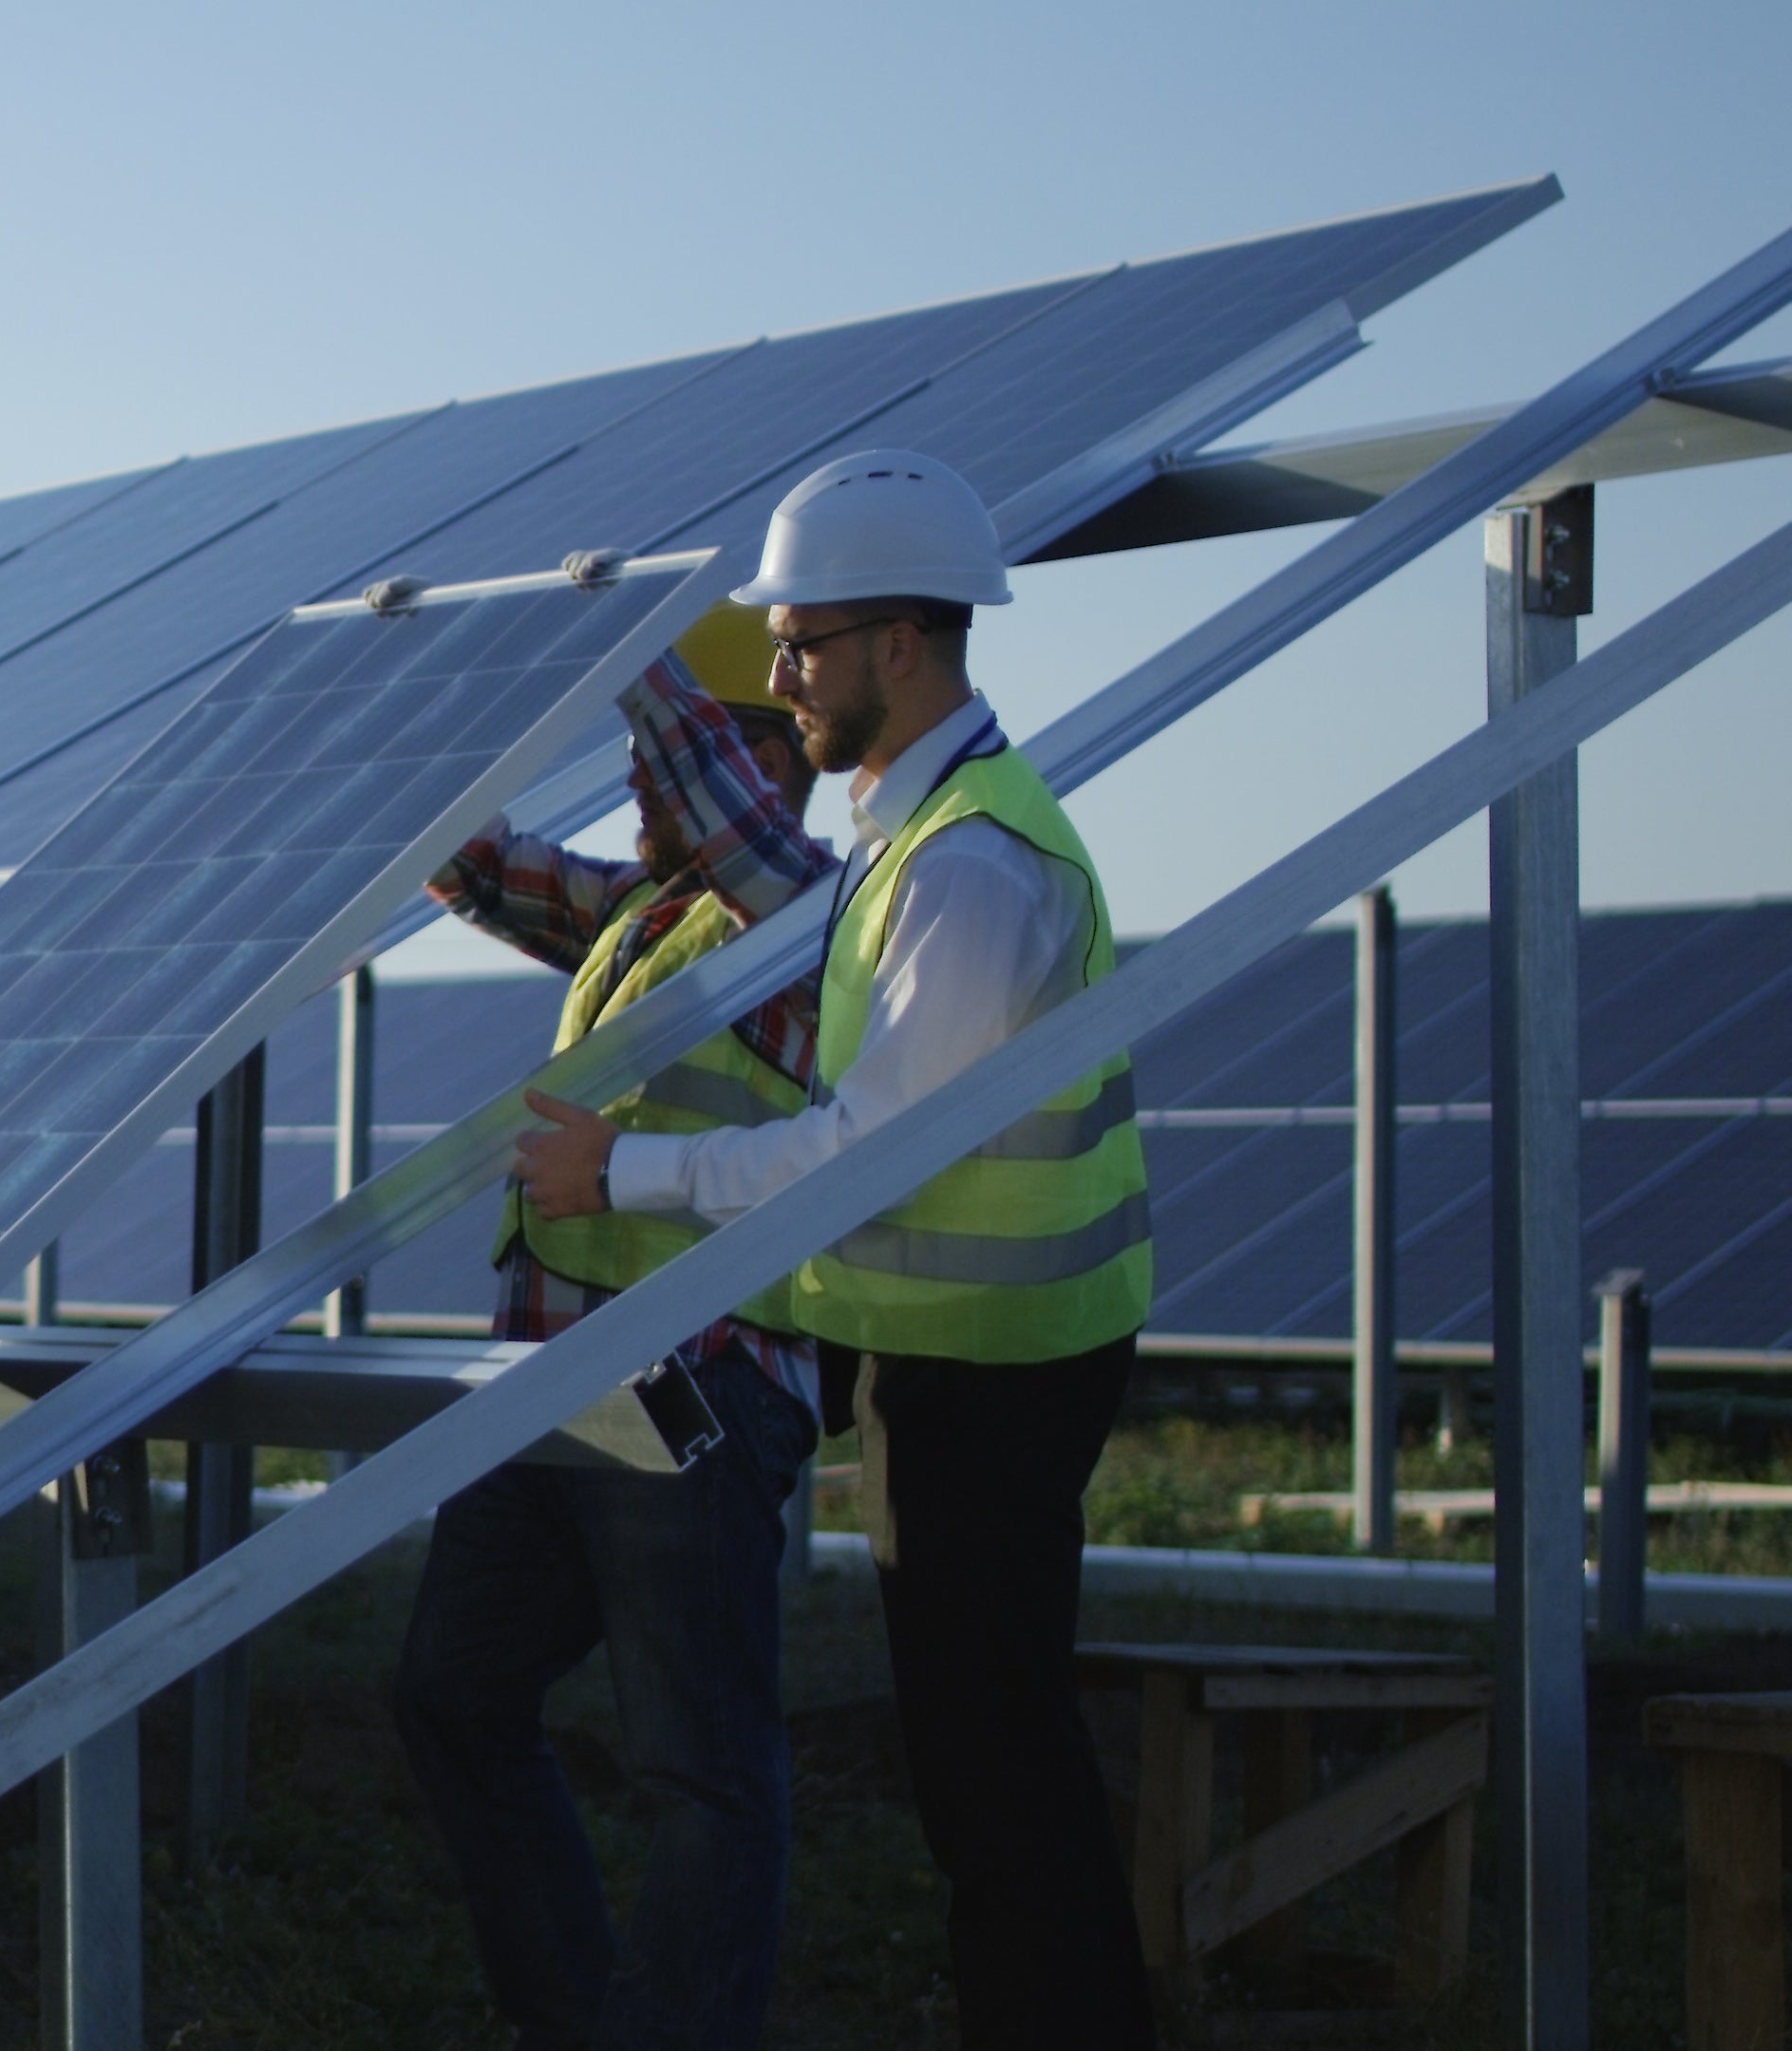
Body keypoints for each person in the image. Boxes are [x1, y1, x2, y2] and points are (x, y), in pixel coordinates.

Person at [514, 450, 1158, 2045]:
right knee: (981, 1761)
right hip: (948, 1369)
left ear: (903, 647)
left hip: (1004, 1380)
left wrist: (630, 1176)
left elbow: (872, 1144)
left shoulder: (970, 863)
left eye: (803, 647)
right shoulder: (914, 828)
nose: (785, 677)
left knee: (999, 1767)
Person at [394, 605, 830, 2048]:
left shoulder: (807, 918)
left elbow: (705, 784)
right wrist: (429, 695)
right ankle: (576, 2020)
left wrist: (629, 644)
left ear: (765, 764)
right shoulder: (636, 917)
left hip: (694, 1395)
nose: (636, 794)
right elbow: (476, 865)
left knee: (700, 1768)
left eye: (659, 770)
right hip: (555, 1392)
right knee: (453, 1697)